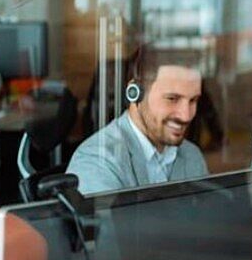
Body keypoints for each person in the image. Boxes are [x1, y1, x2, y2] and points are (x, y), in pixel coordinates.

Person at [67, 48, 209, 194]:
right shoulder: (97, 161)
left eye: (193, 100)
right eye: (172, 99)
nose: (186, 115)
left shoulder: (191, 155)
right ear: (134, 93)